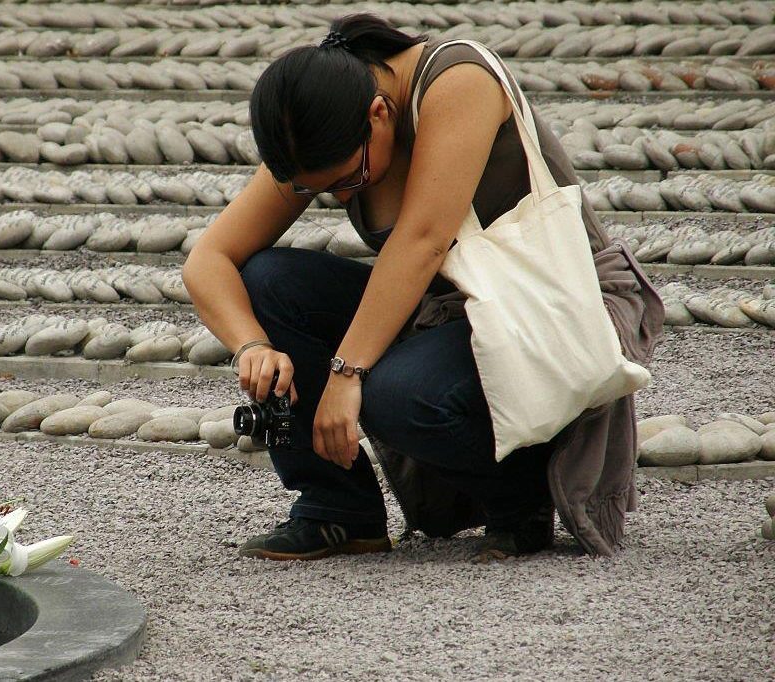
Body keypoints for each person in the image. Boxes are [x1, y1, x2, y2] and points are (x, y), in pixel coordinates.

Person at [181, 14, 663, 562]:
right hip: (449, 312)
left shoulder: (458, 78)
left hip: (552, 304)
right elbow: (209, 260)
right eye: (318, 191)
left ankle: (522, 494)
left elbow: (423, 241)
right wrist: (253, 345)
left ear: (378, 114)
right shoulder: (324, 127)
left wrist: (345, 374)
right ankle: (338, 509)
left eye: (346, 183)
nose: (341, 199)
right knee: (267, 282)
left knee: (390, 390)